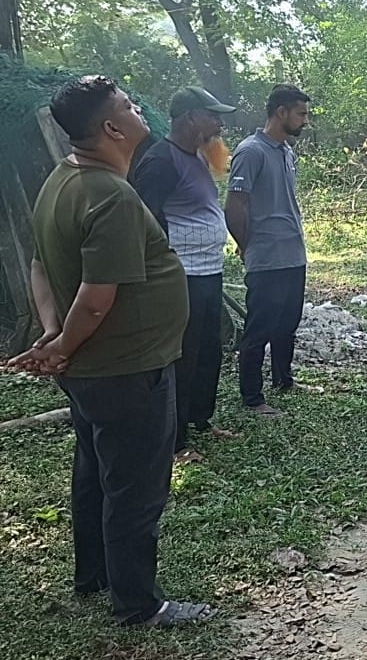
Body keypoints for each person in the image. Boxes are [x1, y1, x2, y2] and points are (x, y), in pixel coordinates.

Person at [5, 75, 214, 626]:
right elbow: (97, 299)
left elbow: (38, 265)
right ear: (111, 128)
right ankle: (138, 605)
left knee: (96, 470)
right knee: (137, 488)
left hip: (91, 370)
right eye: (127, 105)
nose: (139, 108)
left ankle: (94, 574)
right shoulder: (110, 195)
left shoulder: (61, 180)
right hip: (128, 367)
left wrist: (54, 339)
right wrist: (63, 342)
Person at [132, 87, 239, 460]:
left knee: (210, 348)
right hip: (181, 274)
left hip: (209, 271)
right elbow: (143, 218)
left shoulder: (197, 155)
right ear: (191, 117)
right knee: (183, 355)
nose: (220, 124)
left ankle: (201, 419)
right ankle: (175, 441)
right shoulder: (161, 160)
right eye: (213, 116)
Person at [225, 84, 317, 414]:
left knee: (287, 322)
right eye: (301, 114)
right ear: (281, 113)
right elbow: (235, 205)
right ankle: (252, 398)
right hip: (266, 257)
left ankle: (284, 380)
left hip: (293, 254)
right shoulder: (251, 151)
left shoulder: (284, 151)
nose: (305, 121)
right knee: (259, 327)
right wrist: (247, 245)